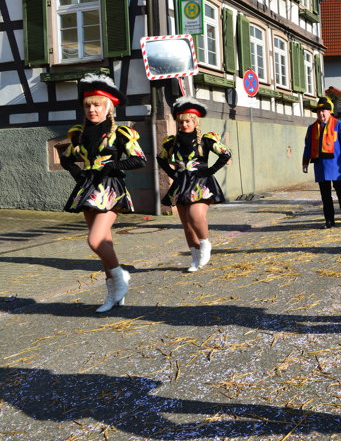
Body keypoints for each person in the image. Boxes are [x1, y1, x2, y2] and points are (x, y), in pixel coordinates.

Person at [59, 74, 147, 312]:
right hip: (87, 188)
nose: (92, 109)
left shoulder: (120, 133)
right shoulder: (78, 133)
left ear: (108, 106)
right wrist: (77, 172)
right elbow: (65, 157)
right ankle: (113, 296)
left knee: (95, 240)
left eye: (97, 105)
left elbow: (140, 160)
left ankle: (121, 278)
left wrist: (113, 165)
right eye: (88, 105)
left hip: (110, 188)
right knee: (104, 244)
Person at [156, 98, 232, 272]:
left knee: (195, 215)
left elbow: (225, 154)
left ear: (195, 121)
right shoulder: (171, 142)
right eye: (181, 122)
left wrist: (210, 170)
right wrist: (171, 173)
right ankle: (195, 257)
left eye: (187, 121)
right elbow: (160, 157)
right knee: (187, 224)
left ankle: (205, 244)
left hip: (201, 182)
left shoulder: (205, 140)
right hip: (181, 184)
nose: (184, 124)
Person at [303, 97, 341, 228]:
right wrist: (305, 162)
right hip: (320, 166)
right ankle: (329, 220)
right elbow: (307, 146)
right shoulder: (311, 128)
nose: (321, 114)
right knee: (325, 196)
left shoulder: (339, 125)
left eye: (323, 111)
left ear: (329, 111)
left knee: (340, 191)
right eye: (319, 111)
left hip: (335, 166)